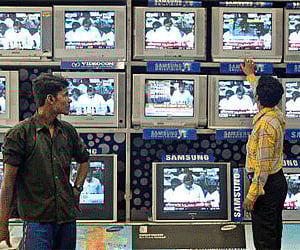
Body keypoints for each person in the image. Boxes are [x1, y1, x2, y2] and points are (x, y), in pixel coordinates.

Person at [0, 73, 90, 249]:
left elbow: (84, 161)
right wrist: (2, 225)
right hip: (36, 223)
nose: (69, 100)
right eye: (65, 95)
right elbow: (8, 184)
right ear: (50, 99)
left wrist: (77, 189)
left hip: (67, 219)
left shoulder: (67, 131)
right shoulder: (20, 133)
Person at [241, 58, 288, 250]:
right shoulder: (276, 113)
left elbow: (262, 167)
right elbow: (262, 94)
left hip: (266, 187)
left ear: (259, 99)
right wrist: (251, 76)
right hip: (277, 183)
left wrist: (251, 196)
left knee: (264, 241)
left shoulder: (265, 126)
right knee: (272, 235)